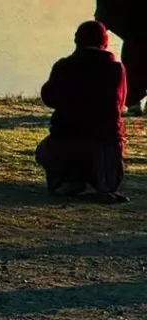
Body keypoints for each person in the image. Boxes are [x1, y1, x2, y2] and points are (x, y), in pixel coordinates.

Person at [36, 21, 129, 204]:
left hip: (68, 139)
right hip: (106, 144)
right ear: (105, 42)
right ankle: (103, 185)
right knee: (107, 149)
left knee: (43, 150)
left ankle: (69, 180)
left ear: (77, 41)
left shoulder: (63, 66)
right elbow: (120, 103)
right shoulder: (116, 69)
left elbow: (48, 97)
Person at [96, 0, 147, 116]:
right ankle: (132, 101)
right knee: (135, 53)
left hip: (132, 14)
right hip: (133, 13)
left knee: (134, 53)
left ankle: (133, 101)